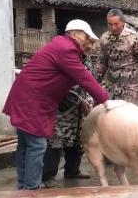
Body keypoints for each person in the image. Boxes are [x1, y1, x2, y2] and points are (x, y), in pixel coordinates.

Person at [3, 19, 108, 190]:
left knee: (25, 145)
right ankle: (31, 189)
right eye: (87, 38)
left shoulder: (61, 45)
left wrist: (81, 100)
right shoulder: (66, 50)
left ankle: (24, 186)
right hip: (32, 102)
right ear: (74, 34)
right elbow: (84, 78)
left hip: (27, 99)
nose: (89, 43)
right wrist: (106, 101)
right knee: (37, 146)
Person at [42, 52, 100, 188]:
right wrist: (80, 101)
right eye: (86, 40)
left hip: (80, 109)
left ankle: (72, 170)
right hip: (61, 108)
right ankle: (48, 176)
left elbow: (90, 81)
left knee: (77, 140)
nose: (89, 45)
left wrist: (90, 100)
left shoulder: (87, 59)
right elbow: (60, 86)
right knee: (55, 142)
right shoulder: (63, 56)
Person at [98, 9, 138, 106]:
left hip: (131, 87)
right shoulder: (104, 38)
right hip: (111, 85)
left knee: (129, 117)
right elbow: (103, 61)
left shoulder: (134, 38)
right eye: (110, 24)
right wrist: (96, 79)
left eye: (116, 24)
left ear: (123, 22)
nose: (113, 27)